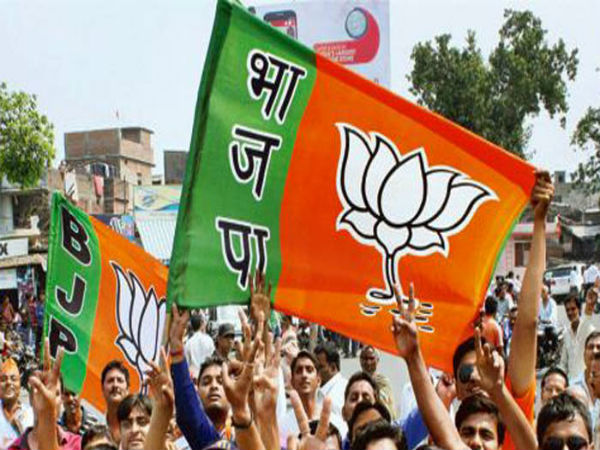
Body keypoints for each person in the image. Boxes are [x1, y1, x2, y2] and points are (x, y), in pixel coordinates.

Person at [9, 342, 81, 450]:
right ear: (31, 398)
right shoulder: (14, 448)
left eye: (55, 394)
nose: (48, 398)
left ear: (61, 400)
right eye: (41, 391)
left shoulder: (78, 445)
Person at [279, 350, 347, 441]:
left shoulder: (335, 422)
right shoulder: (282, 427)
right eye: (299, 371)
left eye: (309, 370)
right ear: (292, 382)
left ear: (318, 380)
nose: (304, 375)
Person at [561, 290, 598, 381]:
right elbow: (563, 362)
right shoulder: (566, 333)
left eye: (573, 309)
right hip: (570, 382)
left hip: (586, 382)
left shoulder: (588, 329)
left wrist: (589, 304)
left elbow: (587, 316)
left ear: (579, 309)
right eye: (567, 310)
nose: (570, 313)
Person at [0, 358, 33, 448]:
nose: (8, 382)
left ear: (19, 384)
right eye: (3, 379)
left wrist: (22, 433)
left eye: (13, 379)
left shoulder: (31, 414)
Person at [360, 346, 396, 419]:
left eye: (371, 358)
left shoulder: (382, 382)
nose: (368, 362)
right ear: (360, 360)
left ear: (377, 360)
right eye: (365, 358)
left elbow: (387, 405)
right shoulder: (356, 382)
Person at [100, 360, 130, 444]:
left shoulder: (137, 428)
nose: (115, 385)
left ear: (127, 389)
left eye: (120, 380)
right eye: (110, 380)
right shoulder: (94, 426)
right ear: (102, 389)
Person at [315, 341, 348, 415]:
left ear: (333, 368)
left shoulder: (334, 398)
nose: (315, 371)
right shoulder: (323, 390)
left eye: (319, 367)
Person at [184, 312, 214, 378]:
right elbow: (212, 358)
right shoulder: (209, 340)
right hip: (207, 374)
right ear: (201, 323)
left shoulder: (188, 343)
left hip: (194, 376)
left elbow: (187, 363)